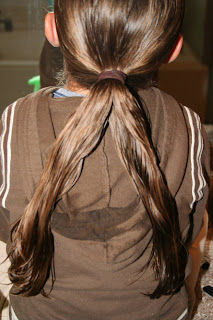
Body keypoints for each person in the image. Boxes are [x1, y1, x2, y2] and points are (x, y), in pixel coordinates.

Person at [0, 0, 210, 319]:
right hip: (160, 311)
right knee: (201, 220)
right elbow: (189, 229)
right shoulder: (190, 126)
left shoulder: (15, 119)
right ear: (173, 49)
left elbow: (7, 229)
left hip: (41, 313)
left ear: (52, 29)